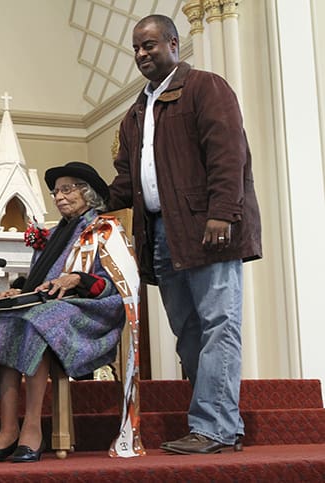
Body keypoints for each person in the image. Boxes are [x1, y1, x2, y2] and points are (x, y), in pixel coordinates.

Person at [107, 14, 262, 455]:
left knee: (219, 326)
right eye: (136, 48)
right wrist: (87, 199)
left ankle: (212, 427)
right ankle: (221, 425)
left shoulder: (206, 88)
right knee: (189, 332)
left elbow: (228, 156)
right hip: (161, 233)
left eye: (149, 45)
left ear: (174, 44)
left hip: (208, 229)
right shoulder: (136, 113)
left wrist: (222, 215)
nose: (141, 54)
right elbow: (126, 181)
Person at [0, 161, 130, 463]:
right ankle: (8, 429)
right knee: (9, 319)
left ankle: (32, 428)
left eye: (66, 189)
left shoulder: (106, 229)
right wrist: (20, 293)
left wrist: (78, 278)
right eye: (55, 192)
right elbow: (43, 283)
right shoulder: (55, 233)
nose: (59, 196)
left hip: (93, 311)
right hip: (53, 306)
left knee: (37, 321)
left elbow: (117, 285)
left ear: (87, 193)